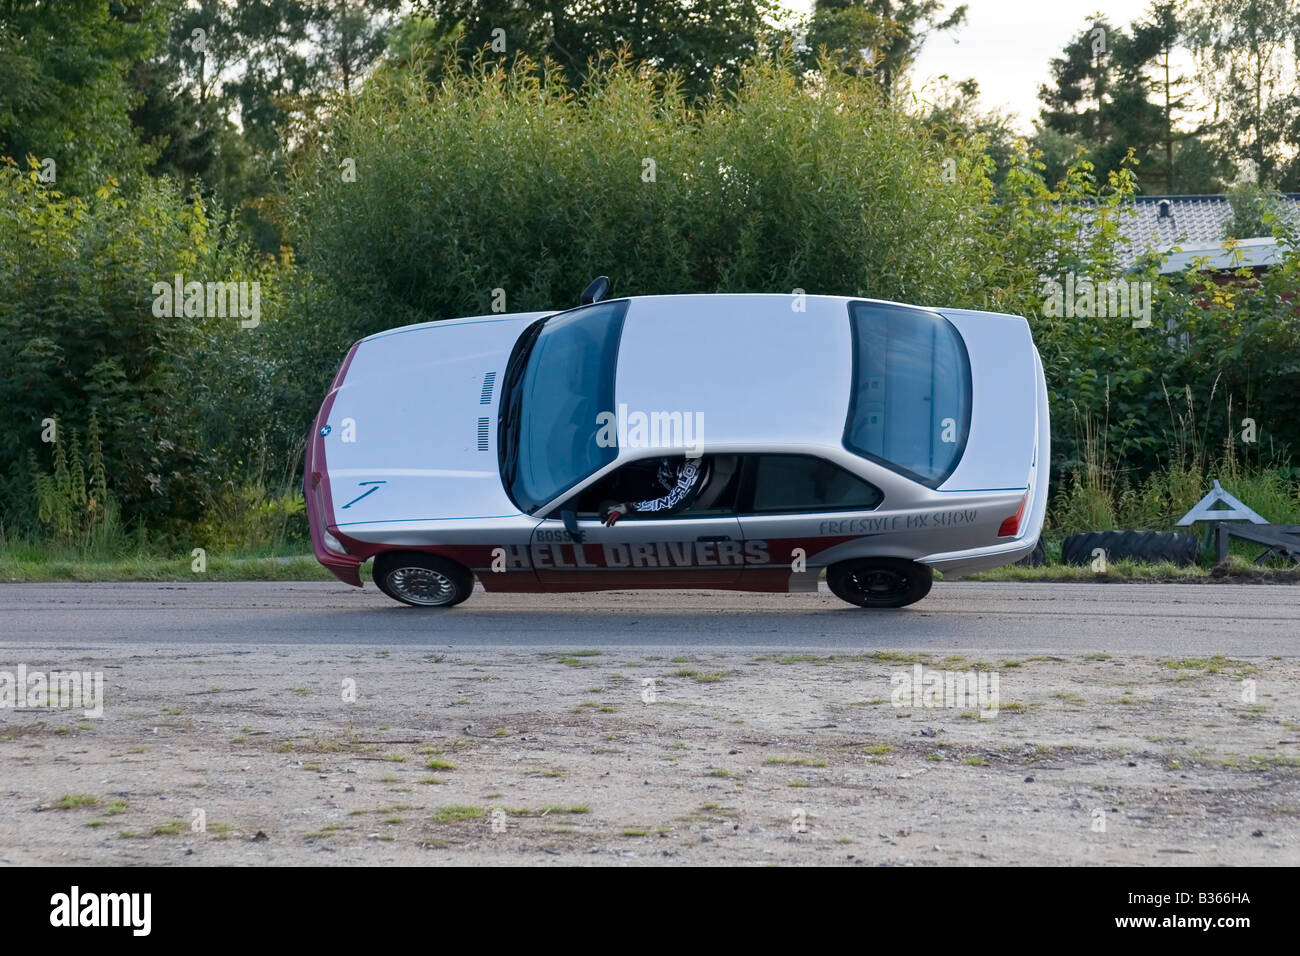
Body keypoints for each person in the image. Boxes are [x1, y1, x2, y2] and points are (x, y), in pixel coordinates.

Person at [601, 456, 709, 525]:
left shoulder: (695, 461)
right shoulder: (674, 443)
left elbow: (673, 503)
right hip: (656, 487)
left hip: (668, 511)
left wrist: (629, 507)